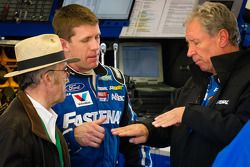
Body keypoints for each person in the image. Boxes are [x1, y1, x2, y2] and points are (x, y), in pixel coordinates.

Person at [111, 2, 250, 167]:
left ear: (222, 37)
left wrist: (188, 114)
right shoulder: (198, 79)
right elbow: (170, 121)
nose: (189, 52)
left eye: (196, 42)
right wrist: (147, 129)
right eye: (188, 43)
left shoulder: (246, 78)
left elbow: (241, 134)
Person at [52, 4, 152, 167]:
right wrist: (72, 138)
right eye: (86, 40)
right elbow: (32, 148)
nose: (95, 46)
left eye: (97, 37)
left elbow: (135, 136)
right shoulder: (48, 83)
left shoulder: (115, 78)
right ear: (64, 45)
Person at [0, 34, 79, 167]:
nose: (68, 76)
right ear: (48, 78)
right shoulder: (14, 130)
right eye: (65, 70)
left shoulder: (45, 120)